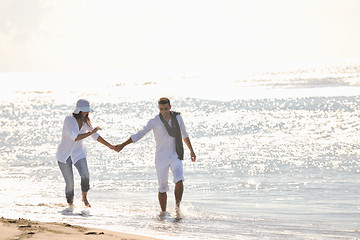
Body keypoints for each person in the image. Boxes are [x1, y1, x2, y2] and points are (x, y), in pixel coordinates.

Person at [116, 97, 196, 212]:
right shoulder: (155, 121)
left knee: (179, 179)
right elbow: (140, 133)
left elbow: (184, 134)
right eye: (161, 109)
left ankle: (177, 208)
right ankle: (163, 213)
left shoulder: (177, 118)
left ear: (170, 107)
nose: (164, 112)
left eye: (166, 109)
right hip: (161, 158)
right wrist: (123, 144)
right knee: (162, 188)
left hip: (175, 155)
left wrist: (191, 151)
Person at [56, 99, 116, 209]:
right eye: (83, 111)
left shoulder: (85, 121)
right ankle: (70, 205)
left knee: (85, 175)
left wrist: (110, 146)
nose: (85, 113)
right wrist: (91, 132)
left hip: (78, 153)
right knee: (70, 183)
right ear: (78, 110)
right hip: (64, 155)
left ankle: (84, 198)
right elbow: (75, 137)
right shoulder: (69, 119)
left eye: (87, 111)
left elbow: (96, 136)